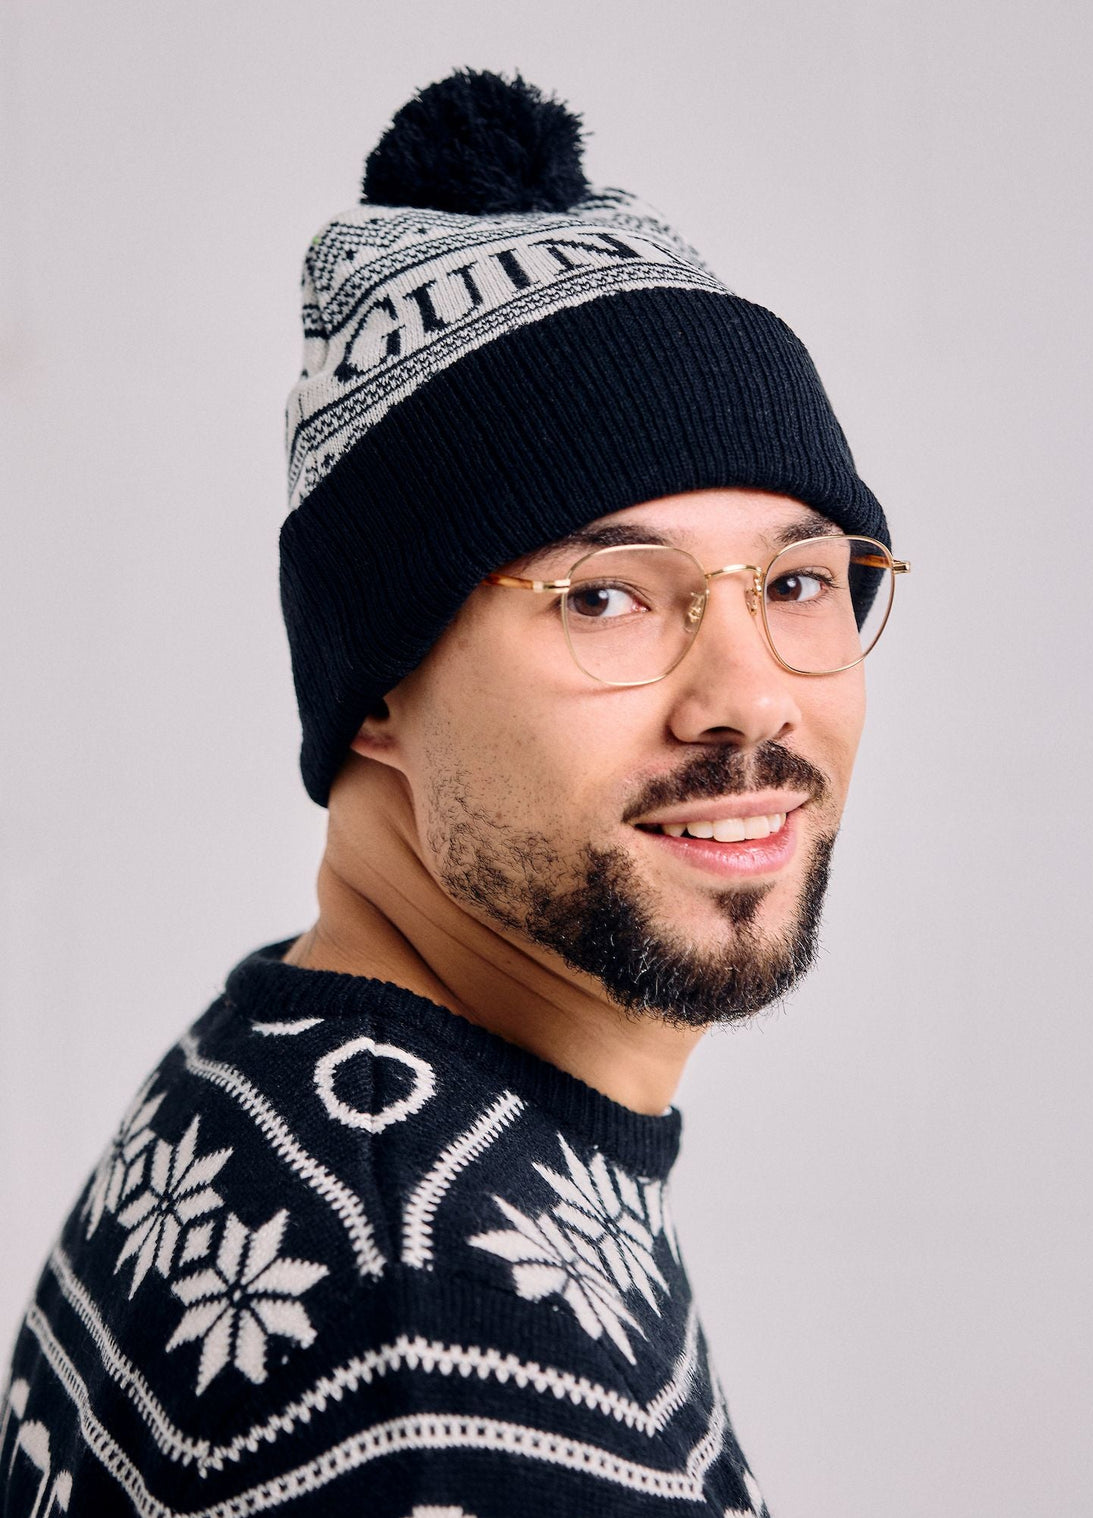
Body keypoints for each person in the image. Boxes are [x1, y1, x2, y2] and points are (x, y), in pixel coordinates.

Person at [1, 69, 907, 1516]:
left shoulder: (297, 1078)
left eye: (799, 581)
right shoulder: (430, 1358)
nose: (749, 693)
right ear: (378, 686)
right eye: (608, 596)